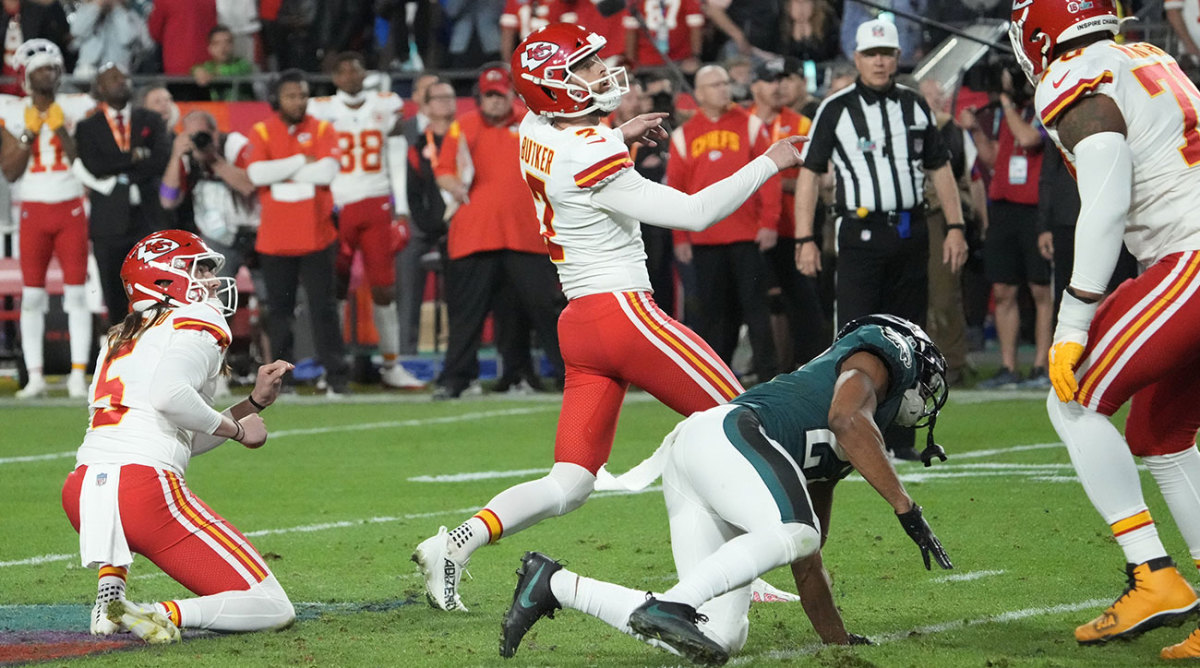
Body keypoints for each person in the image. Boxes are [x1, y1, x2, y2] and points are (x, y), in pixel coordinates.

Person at [413, 22, 805, 612]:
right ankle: (738, 571)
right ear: (554, 87)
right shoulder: (588, 149)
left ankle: (455, 542)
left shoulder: (533, 126)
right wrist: (770, 161)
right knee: (742, 426)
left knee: (569, 483)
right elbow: (695, 212)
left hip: (582, 324)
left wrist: (619, 132)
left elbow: (572, 152)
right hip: (624, 315)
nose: (601, 73)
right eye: (585, 68)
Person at [500, 314, 953, 664]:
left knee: (720, 637)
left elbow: (804, 561)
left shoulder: (834, 448)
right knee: (798, 529)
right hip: (729, 435)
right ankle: (675, 603)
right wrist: (906, 508)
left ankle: (555, 585)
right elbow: (846, 418)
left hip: (705, 457)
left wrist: (840, 643)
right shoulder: (879, 358)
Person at [1010, 0, 1200, 658]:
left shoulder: (1073, 75)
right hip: (1184, 256)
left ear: (1035, 33)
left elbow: (1108, 199)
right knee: (1162, 436)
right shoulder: (1153, 56)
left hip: (1190, 259)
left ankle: (1153, 574)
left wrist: (1073, 317)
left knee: (1071, 396)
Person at [60, 229, 295, 645]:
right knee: (272, 605)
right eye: (198, 268)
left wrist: (250, 405)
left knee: (130, 480)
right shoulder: (196, 319)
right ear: (163, 280)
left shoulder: (119, 335)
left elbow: (179, 435)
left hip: (83, 493)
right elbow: (170, 398)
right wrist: (240, 430)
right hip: (142, 491)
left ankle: (110, 592)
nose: (208, 279)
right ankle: (156, 613)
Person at [794, 18, 967, 460]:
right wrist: (804, 238)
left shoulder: (915, 106)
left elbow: (940, 169)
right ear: (857, 58)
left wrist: (955, 226)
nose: (879, 61)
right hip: (857, 233)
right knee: (855, 337)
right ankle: (844, 431)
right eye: (871, 54)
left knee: (910, 338)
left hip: (909, 232)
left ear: (896, 57)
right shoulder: (834, 108)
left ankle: (901, 438)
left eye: (886, 53)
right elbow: (810, 176)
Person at [429, 65, 564, 399]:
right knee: (467, 315)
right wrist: (454, 186)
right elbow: (443, 170)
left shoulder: (534, 122)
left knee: (548, 310)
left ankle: (572, 377)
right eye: (488, 96)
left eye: (499, 96)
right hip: (476, 235)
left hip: (527, 236)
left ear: (511, 95)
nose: (493, 103)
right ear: (479, 97)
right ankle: (455, 380)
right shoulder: (464, 126)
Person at [307, 52, 424, 389]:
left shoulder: (385, 104)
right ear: (334, 77)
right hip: (338, 204)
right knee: (336, 288)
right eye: (341, 70)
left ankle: (391, 364)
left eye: (355, 69)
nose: (349, 75)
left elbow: (397, 157)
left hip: (376, 201)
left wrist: (401, 208)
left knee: (384, 286)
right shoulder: (321, 108)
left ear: (365, 72)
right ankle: (335, 364)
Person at [670, 64, 781, 383]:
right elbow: (675, 189)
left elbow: (770, 177)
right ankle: (713, 379)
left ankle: (769, 377)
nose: (723, 89)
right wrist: (680, 236)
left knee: (756, 311)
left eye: (725, 83)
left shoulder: (751, 126)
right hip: (704, 240)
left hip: (747, 235)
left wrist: (769, 221)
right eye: (715, 85)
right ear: (700, 93)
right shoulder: (683, 136)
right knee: (713, 317)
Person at [1, 39, 96, 399]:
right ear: (26, 75)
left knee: (76, 294)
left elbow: (83, 160)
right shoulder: (12, 111)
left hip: (70, 205)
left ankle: (77, 375)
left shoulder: (77, 107)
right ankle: (35, 376)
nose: (49, 73)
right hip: (32, 207)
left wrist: (57, 128)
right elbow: (10, 171)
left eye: (54, 68)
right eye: (41, 68)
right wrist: (28, 133)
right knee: (32, 296)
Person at [246, 69, 349, 394]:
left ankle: (337, 378)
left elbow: (326, 172)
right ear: (278, 98)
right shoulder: (262, 130)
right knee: (279, 314)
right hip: (275, 240)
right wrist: (300, 161)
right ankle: (280, 382)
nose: (298, 101)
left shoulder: (322, 128)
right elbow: (257, 174)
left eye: (303, 95)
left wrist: (282, 171)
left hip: (317, 237)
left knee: (324, 310)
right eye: (292, 95)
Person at [960, 68, 1052, 390]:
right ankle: (1008, 367)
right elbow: (992, 158)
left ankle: (1041, 365)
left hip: (1035, 210)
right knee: (1003, 291)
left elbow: (1029, 139)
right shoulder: (1001, 116)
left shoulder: (1044, 107)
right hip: (1003, 208)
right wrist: (976, 132)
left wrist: (1007, 105)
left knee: (1041, 290)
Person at [75, 62, 172, 327]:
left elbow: (160, 160)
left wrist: (118, 166)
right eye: (114, 78)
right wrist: (133, 158)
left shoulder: (150, 119)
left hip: (148, 217)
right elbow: (94, 165)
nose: (122, 81)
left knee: (156, 293)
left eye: (124, 77)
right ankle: (120, 355)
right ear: (100, 88)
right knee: (114, 297)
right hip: (108, 222)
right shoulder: (87, 127)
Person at [748, 59, 828, 369]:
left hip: (794, 227)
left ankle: (812, 366)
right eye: (770, 80)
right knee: (761, 303)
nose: (779, 86)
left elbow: (815, 176)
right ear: (755, 86)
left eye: (783, 79)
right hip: (751, 229)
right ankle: (765, 366)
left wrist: (767, 180)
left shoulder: (800, 124)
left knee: (803, 302)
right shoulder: (744, 121)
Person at [191, 24, 256, 102]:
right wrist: (196, 71)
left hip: (241, 111)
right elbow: (194, 69)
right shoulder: (208, 66)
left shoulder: (243, 64)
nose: (223, 47)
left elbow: (236, 70)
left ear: (233, 45)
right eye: (217, 43)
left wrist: (214, 74)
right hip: (216, 111)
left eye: (227, 42)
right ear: (210, 48)